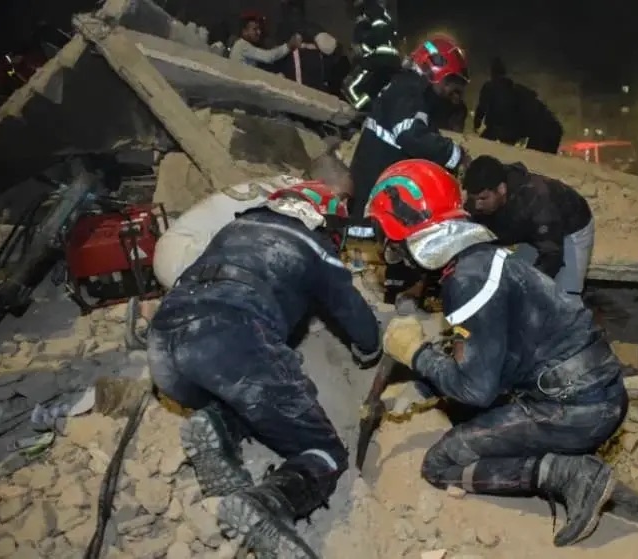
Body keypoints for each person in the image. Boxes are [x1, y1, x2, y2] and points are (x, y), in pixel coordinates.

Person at [365, 159, 628, 546]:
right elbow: (496, 353)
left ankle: (572, 475)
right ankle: (566, 463)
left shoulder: (467, 281)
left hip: (576, 407)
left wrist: (417, 354)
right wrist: (425, 387)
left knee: (440, 463)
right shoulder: (483, 260)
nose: (389, 248)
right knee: (473, 420)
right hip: (593, 390)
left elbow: (476, 390)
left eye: (389, 236)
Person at [147, 182, 381, 558]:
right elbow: (359, 322)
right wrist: (370, 352)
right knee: (323, 451)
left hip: (165, 350)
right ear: (323, 221)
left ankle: (218, 424)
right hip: (229, 337)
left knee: (245, 395)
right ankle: (268, 504)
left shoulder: (234, 227)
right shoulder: (314, 246)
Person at [152, 149, 353, 289]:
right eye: (342, 197)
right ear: (321, 184)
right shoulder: (296, 202)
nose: (343, 206)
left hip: (175, 249)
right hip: (182, 259)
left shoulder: (284, 185)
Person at [348, 36, 470, 218]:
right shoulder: (409, 91)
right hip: (373, 200)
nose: (449, 94)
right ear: (437, 72)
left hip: (374, 191)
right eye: (450, 83)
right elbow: (411, 135)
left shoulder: (408, 88)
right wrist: (455, 155)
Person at [463, 155, 595, 295]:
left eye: (483, 198)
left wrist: (530, 289)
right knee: (513, 276)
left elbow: (552, 256)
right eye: (474, 199)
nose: (477, 205)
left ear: (501, 189)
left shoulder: (538, 202)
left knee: (566, 293)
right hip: (529, 230)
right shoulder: (480, 200)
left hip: (571, 228)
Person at [342, 0, 401, 110]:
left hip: (377, 59)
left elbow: (364, 43)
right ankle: (370, 110)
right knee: (374, 90)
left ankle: (362, 110)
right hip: (391, 61)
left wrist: (360, 46)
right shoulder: (386, 18)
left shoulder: (369, 14)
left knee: (350, 86)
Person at [229, 11, 302, 67]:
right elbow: (268, 57)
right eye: (255, 29)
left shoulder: (243, 45)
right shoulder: (242, 45)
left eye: (259, 29)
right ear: (244, 31)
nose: (259, 32)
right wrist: (289, 46)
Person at [474, 58, 521, 145]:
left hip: (494, 130)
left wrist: (476, 123)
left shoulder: (489, 86)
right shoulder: (513, 89)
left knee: (480, 145)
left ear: (492, 72)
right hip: (512, 132)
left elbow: (481, 107)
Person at [515, 83, 563, 154]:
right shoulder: (528, 102)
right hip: (549, 130)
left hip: (546, 131)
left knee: (534, 155)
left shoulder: (523, 103)